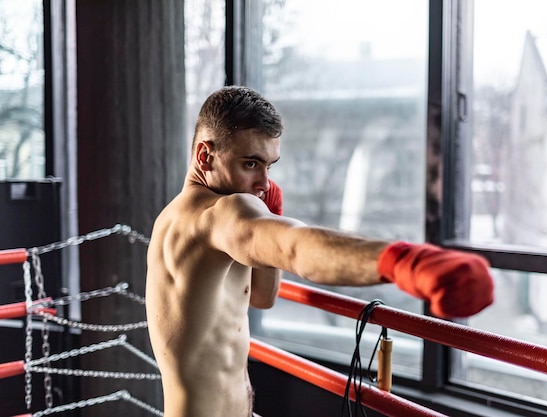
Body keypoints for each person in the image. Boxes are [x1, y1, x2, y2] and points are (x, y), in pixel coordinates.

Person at [145, 85, 494, 417]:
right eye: (250, 163)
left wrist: (272, 214)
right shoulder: (215, 216)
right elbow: (295, 246)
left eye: (270, 165)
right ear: (205, 155)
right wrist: (403, 261)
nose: (264, 183)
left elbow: (261, 297)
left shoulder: (179, 218)